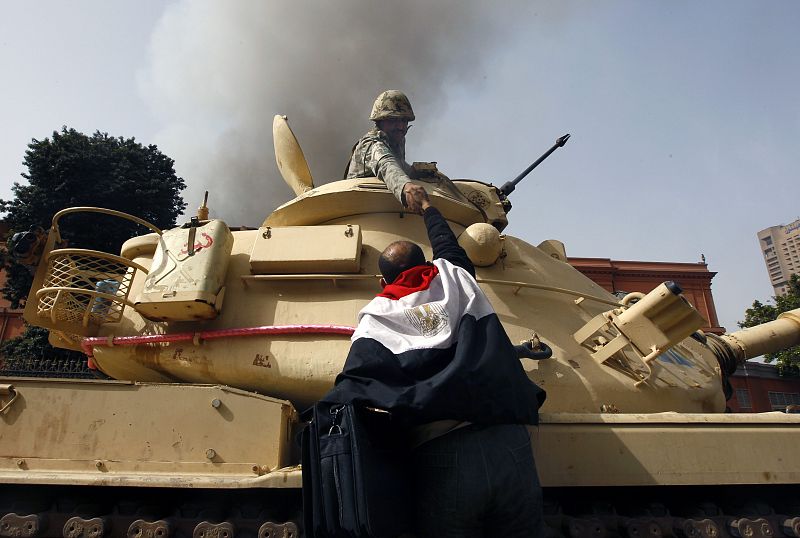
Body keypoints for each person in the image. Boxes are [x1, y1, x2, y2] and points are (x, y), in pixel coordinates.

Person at [323, 187, 546, 537]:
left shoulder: (377, 318)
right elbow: (448, 245)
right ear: (426, 264)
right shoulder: (456, 276)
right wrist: (426, 206)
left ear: (382, 281)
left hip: (444, 451)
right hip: (510, 442)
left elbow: (354, 386)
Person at [346, 90, 429, 213]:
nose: (400, 127)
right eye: (393, 120)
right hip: (361, 209)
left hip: (383, 208)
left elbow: (398, 165)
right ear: (380, 121)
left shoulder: (397, 140)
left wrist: (416, 171)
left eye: (404, 121)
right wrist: (407, 187)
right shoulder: (372, 144)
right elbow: (386, 165)